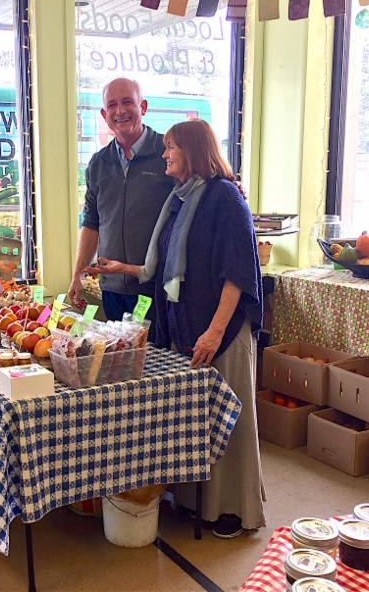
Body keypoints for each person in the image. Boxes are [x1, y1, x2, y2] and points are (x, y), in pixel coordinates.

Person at [92, 119, 265, 538]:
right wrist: (122, 268)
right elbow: (164, 265)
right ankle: (192, 501)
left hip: (221, 331)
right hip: (188, 328)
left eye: (171, 148)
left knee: (229, 421)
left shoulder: (225, 197)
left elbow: (238, 273)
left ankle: (232, 510)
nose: (165, 155)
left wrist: (214, 332)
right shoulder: (179, 198)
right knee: (197, 420)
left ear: (192, 151)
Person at [67, 78, 175, 332]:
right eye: (112, 105)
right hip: (112, 290)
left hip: (156, 288)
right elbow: (91, 224)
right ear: (104, 114)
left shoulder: (168, 153)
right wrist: (77, 274)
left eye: (128, 102)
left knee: (159, 356)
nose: (120, 111)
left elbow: (199, 191)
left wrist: (229, 184)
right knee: (119, 356)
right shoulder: (98, 163)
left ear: (143, 107)